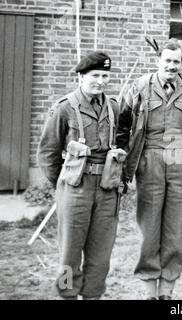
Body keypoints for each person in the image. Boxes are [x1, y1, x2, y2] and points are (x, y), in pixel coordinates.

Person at [116, 40, 182, 300]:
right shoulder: (140, 87)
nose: (171, 66)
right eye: (167, 60)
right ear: (158, 60)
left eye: (176, 62)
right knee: (150, 226)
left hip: (179, 163)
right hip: (150, 160)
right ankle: (149, 290)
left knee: (176, 229)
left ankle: (167, 290)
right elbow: (123, 126)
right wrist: (123, 164)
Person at [38, 51, 123, 300]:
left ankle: (93, 295)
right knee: (69, 253)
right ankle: (66, 294)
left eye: (105, 76)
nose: (100, 81)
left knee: (101, 253)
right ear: (82, 76)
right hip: (76, 188)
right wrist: (63, 186)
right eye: (95, 75)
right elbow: (48, 153)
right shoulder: (64, 108)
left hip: (106, 189)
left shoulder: (113, 107)